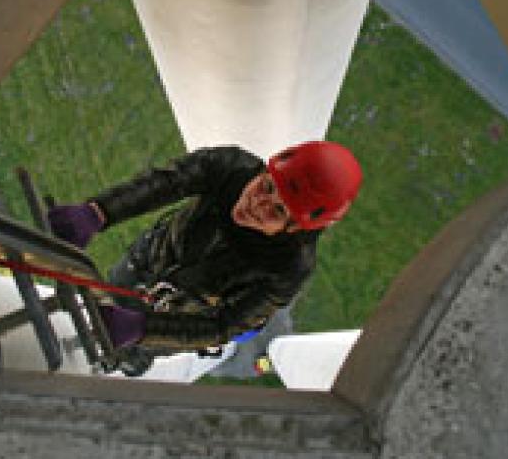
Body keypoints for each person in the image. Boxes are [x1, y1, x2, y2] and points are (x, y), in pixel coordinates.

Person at [47, 141, 362, 374]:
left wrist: (146, 330)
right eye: (266, 186)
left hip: (181, 314)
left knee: (134, 352)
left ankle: (123, 363)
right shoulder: (231, 166)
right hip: (148, 260)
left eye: (278, 210)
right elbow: (168, 183)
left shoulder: (289, 267)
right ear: (264, 169)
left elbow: (225, 325)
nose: (257, 203)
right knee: (112, 293)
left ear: (293, 230)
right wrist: (99, 212)